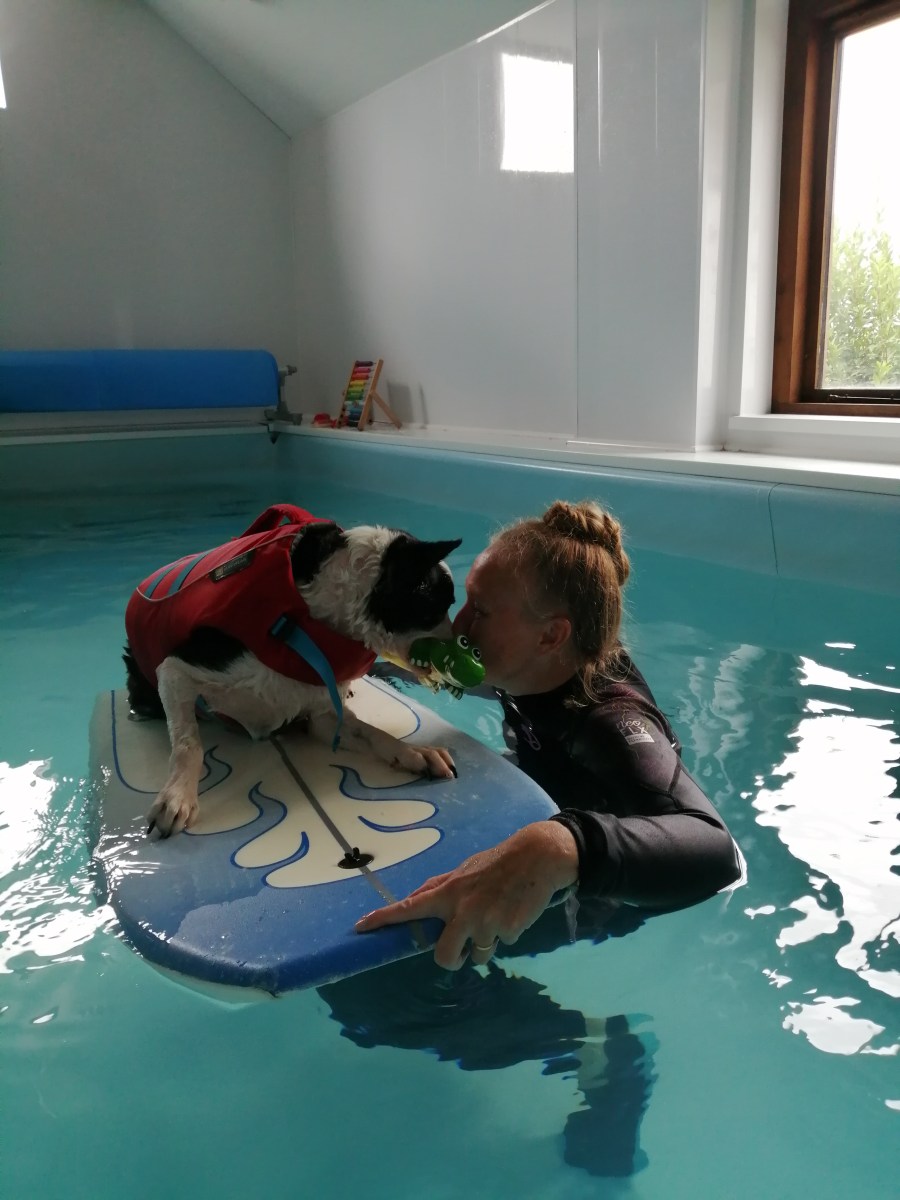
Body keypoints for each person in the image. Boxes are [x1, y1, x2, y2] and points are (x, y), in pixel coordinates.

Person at [356, 499, 743, 968]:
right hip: (542, 798)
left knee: (408, 960)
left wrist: (561, 846)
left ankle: (545, 1020)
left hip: (596, 896)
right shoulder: (527, 663)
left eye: (480, 610)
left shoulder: (610, 722)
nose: (458, 626)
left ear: (550, 636)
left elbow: (718, 853)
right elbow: (436, 671)